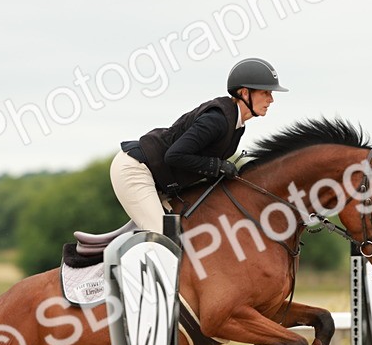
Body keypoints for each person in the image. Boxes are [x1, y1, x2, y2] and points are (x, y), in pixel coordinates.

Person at [111, 57, 288, 233]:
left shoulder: (236, 126)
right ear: (244, 93)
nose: (271, 99)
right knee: (164, 237)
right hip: (135, 170)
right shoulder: (216, 120)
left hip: (160, 182)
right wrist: (218, 166)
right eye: (266, 93)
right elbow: (174, 156)